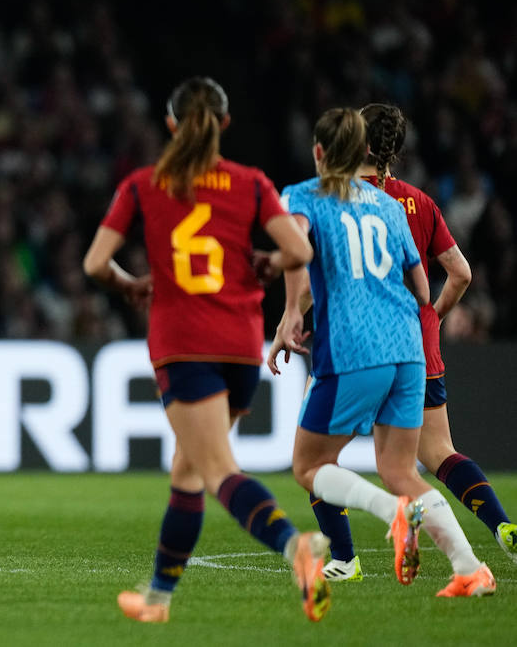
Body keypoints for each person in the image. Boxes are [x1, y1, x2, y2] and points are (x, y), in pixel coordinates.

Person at [82, 76, 329, 624]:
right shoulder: (250, 183)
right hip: (241, 344)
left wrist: (127, 284)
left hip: (184, 341)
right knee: (187, 467)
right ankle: (158, 598)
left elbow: (95, 263)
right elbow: (298, 249)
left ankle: (296, 547)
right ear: (224, 125)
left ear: (170, 124)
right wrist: (266, 263)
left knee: (216, 470)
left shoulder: (145, 184)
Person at [270, 108, 496, 599]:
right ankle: (471, 569)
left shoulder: (306, 195)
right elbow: (420, 286)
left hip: (354, 348)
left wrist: (291, 312)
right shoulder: (391, 207)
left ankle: (388, 518)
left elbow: (295, 249)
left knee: (309, 467)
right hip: (409, 350)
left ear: (319, 153)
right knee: (399, 471)